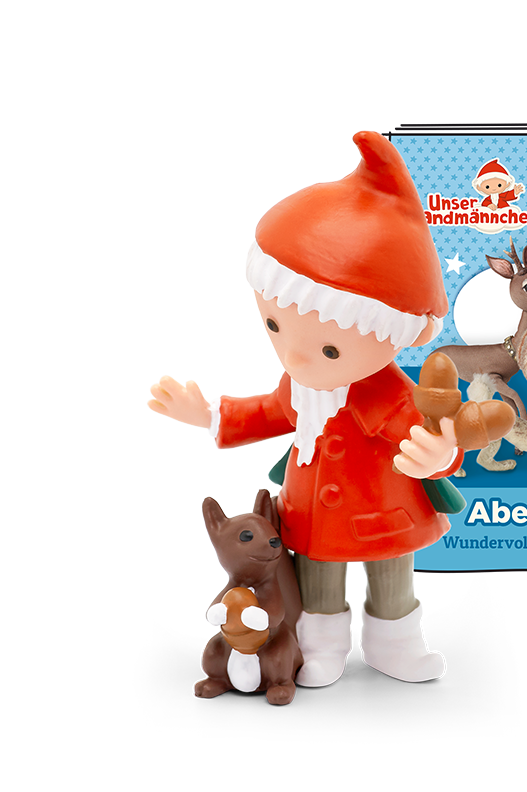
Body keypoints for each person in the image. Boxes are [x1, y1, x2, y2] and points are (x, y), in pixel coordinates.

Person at [149, 131, 461, 685]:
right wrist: (210, 416)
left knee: (392, 582)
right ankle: (323, 648)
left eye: (330, 349)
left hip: (384, 511)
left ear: (401, 333)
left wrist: (440, 454)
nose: (293, 356)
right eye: (274, 325)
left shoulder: (388, 395)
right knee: (318, 587)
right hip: (311, 512)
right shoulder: (301, 383)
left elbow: (425, 436)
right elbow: (271, 411)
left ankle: (394, 645)